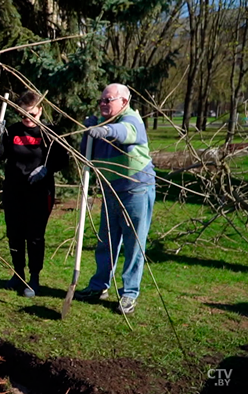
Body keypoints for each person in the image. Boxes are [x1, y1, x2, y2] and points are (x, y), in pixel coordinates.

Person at [74, 83, 156, 315]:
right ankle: (99, 286)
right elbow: (86, 156)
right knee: (107, 240)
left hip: (135, 188)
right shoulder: (98, 122)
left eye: (108, 100)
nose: (103, 103)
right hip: (110, 189)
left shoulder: (131, 119)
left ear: (124, 102)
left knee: (134, 243)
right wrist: (88, 134)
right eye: (101, 100)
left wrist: (105, 131)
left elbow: (126, 133)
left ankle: (129, 293)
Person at [0, 90, 69, 297]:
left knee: (35, 236)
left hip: (39, 192)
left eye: (31, 114)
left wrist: (47, 169)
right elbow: (0, 156)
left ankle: (34, 277)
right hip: (14, 190)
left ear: (40, 110)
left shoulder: (51, 133)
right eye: (22, 115)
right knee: (14, 234)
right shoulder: (13, 131)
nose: (27, 119)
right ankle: (17, 274)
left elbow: (63, 159)